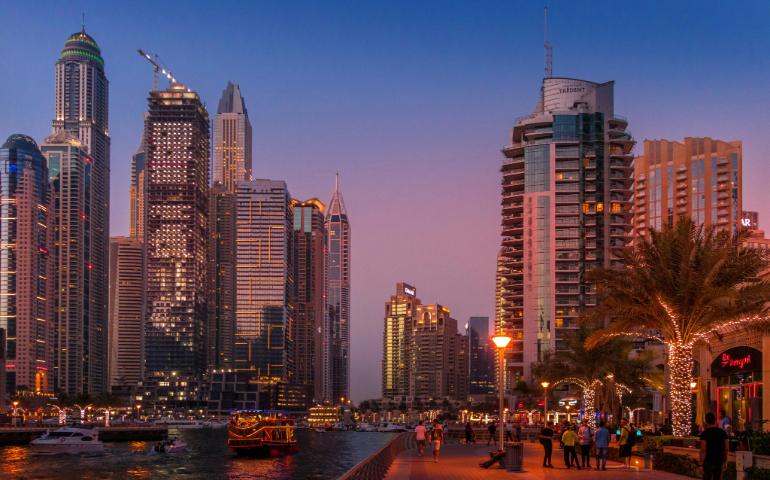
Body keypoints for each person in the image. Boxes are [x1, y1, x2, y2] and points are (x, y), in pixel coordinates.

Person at [700, 412, 729, 480]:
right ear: (715, 421)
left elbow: (703, 450)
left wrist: (701, 464)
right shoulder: (722, 432)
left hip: (708, 461)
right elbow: (726, 448)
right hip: (719, 460)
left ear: (706, 422)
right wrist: (725, 461)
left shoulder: (704, 434)